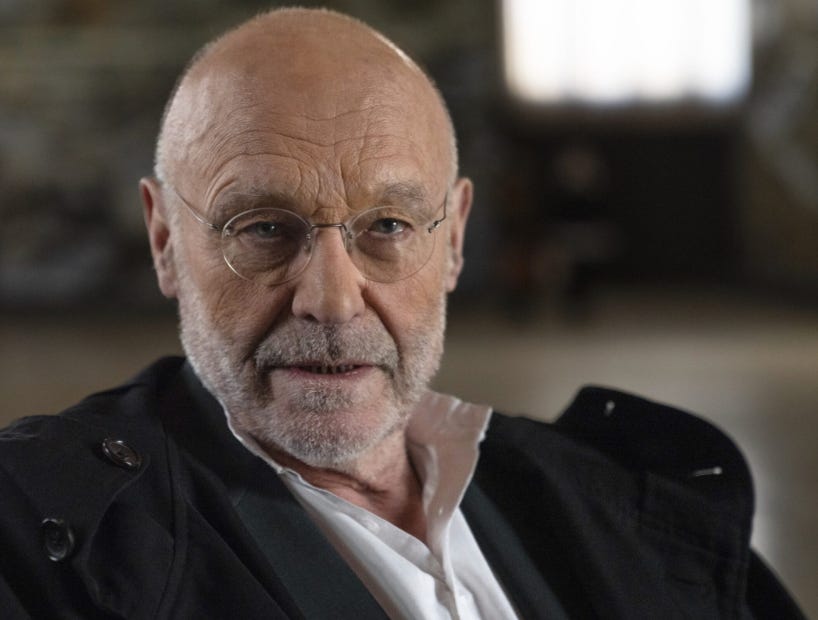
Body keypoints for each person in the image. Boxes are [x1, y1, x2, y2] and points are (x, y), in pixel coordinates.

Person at [0, 8, 805, 619]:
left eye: (387, 225)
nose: (331, 298)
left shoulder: (627, 511)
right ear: (166, 240)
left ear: (452, 239)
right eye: (262, 229)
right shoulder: (36, 536)